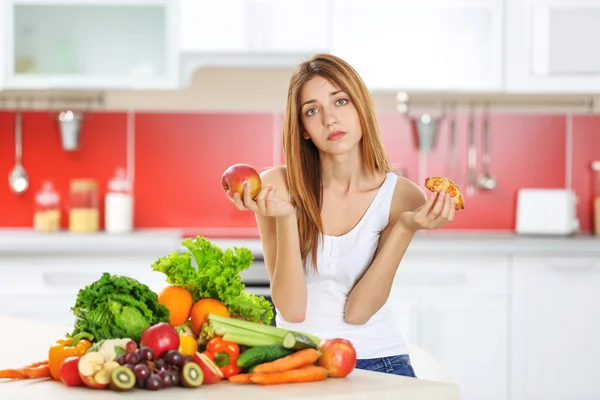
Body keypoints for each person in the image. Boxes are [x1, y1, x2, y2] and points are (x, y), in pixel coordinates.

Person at [227, 53, 457, 377]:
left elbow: (359, 312)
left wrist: (405, 226)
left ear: (361, 107)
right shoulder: (275, 187)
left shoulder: (402, 196)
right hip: (297, 362)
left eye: (341, 101)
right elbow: (292, 310)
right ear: (304, 129)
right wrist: (286, 217)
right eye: (312, 110)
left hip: (379, 361)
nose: (330, 120)